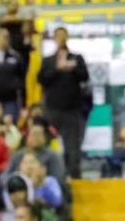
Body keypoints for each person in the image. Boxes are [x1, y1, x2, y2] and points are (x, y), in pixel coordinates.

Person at [38, 27, 90, 180]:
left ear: (67, 37)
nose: (61, 39)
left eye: (63, 36)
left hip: (72, 109)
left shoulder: (77, 58)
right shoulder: (48, 61)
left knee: (73, 146)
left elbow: (84, 76)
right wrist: (56, 69)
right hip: (53, 108)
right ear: (53, 38)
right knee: (46, 144)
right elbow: (41, 79)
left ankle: (74, 176)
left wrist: (71, 68)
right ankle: (46, 175)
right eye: (58, 36)